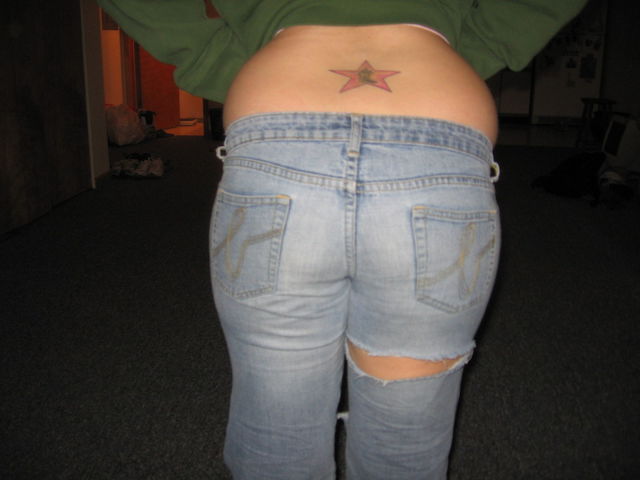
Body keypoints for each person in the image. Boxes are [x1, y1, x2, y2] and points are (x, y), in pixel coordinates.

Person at [98, 1, 588, 478]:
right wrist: (456, 53)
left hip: (277, 143)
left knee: (276, 431)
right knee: (405, 441)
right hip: (438, 150)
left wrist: (223, 58)